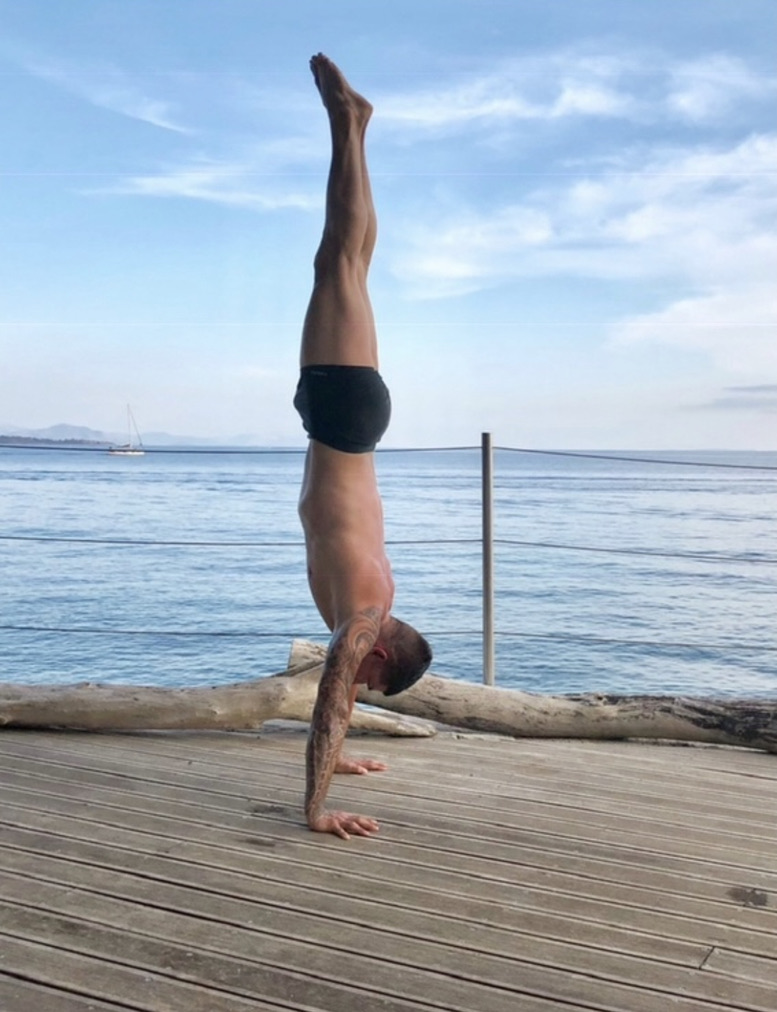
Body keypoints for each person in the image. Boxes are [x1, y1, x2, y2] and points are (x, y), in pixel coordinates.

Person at [295, 54, 432, 840]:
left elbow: (336, 702)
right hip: (342, 418)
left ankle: (355, 126)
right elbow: (327, 698)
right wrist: (315, 809)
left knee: (350, 266)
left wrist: (343, 759)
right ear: (378, 657)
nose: (353, 679)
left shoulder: (373, 602)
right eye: (369, 682)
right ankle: (349, 124)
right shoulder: (363, 619)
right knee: (339, 261)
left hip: (347, 421)